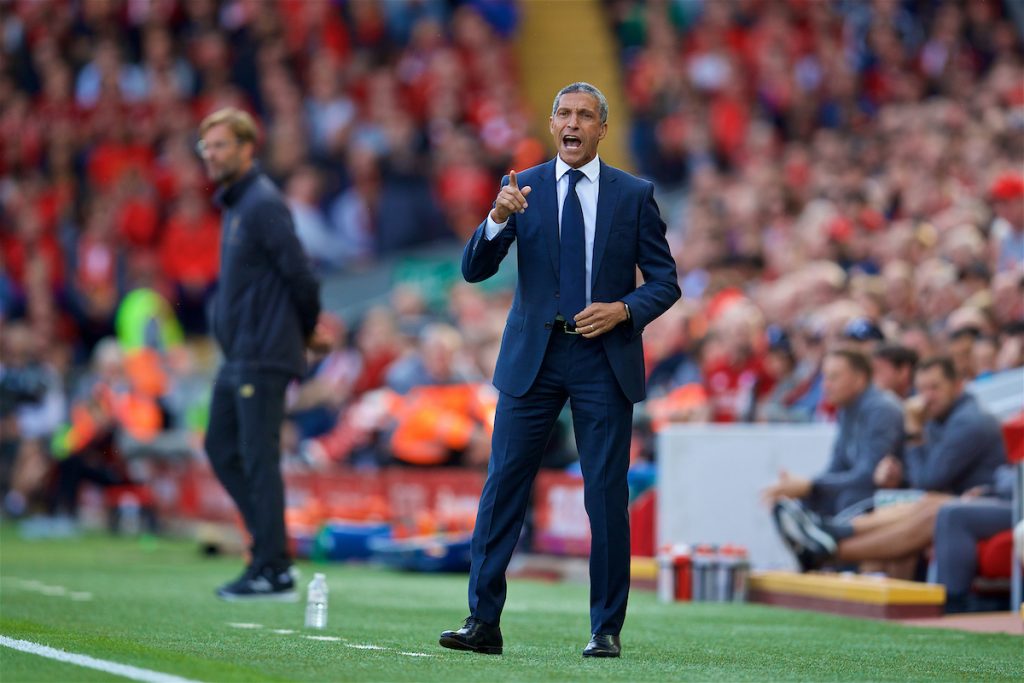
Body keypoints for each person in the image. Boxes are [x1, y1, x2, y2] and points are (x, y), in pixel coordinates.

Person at [439, 82, 680, 658]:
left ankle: (605, 628)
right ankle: (483, 623)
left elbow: (666, 282)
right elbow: (474, 270)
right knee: (503, 487)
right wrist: (496, 218)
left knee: (604, 494)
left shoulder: (633, 194)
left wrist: (623, 309)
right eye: (564, 114)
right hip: (533, 359)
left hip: (602, 358)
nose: (573, 124)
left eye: (585, 116)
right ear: (553, 124)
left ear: (601, 127)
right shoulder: (520, 189)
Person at [197, 108, 322, 600]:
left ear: (248, 148)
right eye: (206, 147)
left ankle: (273, 567)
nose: (211, 154)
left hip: (262, 355)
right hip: (240, 356)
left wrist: (308, 332)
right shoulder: (237, 205)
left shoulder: (262, 203)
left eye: (221, 145)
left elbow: (302, 276)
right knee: (221, 448)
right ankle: (270, 552)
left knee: (257, 457)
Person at [774, 357, 1007, 573]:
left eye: (935, 388)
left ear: (957, 386)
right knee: (907, 504)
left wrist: (913, 431)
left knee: (921, 506)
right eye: (922, 389)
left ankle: (826, 547)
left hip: (977, 502)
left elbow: (928, 480)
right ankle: (829, 536)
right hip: (946, 499)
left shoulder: (969, 421)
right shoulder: (939, 416)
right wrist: (896, 473)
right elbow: (922, 474)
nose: (926, 397)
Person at [762, 349, 903, 518]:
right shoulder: (847, 408)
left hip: (892, 496)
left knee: (848, 499)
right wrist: (803, 487)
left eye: (833, 377)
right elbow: (837, 466)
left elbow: (868, 476)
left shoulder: (882, 410)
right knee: (808, 499)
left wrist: (810, 485)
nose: (825, 385)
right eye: (824, 377)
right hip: (862, 490)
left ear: (859, 379)